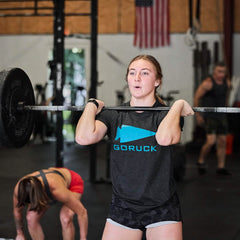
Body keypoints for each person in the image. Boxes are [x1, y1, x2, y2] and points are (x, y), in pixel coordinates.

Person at [75, 55, 194, 240]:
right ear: (127, 78)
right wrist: (91, 105)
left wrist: (177, 106)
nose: (137, 78)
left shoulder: (167, 115)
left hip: (162, 206)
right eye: (132, 73)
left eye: (144, 73)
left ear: (157, 81)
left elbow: (165, 138)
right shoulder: (114, 115)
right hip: (123, 206)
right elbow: (83, 137)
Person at [13, 167, 88, 240]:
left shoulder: (56, 189)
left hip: (72, 183)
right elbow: (17, 212)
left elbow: (82, 212)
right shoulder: (19, 190)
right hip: (51, 184)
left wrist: (83, 238)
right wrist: (20, 234)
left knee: (66, 218)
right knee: (31, 218)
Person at [194, 62, 231, 175]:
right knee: (211, 141)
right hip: (209, 116)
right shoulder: (208, 83)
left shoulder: (227, 83)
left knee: (223, 141)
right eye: (219, 71)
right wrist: (198, 115)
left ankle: (221, 167)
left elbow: (225, 97)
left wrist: (225, 109)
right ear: (214, 71)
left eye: (223, 72)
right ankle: (200, 161)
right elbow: (197, 97)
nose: (221, 74)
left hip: (221, 116)